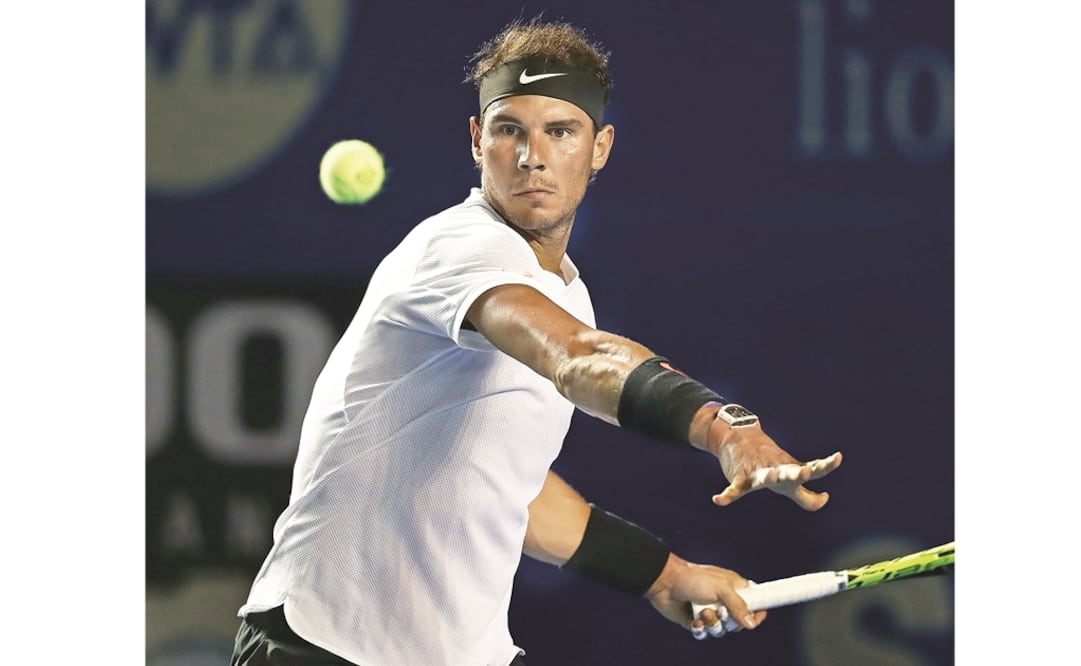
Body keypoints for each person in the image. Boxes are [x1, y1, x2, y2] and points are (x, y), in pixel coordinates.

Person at [230, 17, 843, 666]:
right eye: (508, 131)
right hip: (323, 644)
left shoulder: (568, 294)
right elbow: (578, 358)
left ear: (599, 146)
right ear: (476, 140)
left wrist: (665, 575)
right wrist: (725, 427)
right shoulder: (460, 248)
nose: (532, 157)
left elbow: (510, 491)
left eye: (559, 131)